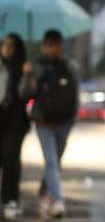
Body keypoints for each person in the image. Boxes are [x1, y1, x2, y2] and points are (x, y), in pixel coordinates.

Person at [20, 28, 78, 219]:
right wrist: (28, 75)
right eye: (48, 45)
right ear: (44, 46)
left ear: (60, 46)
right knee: (51, 162)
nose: (51, 49)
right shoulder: (36, 67)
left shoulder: (70, 67)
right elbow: (25, 94)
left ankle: (45, 190)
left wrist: (73, 117)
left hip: (64, 122)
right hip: (44, 122)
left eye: (55, 45)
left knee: (56, 161)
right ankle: (57, 200)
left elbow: (75, 95)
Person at [0, 34, 31, 219]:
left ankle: (10, 199)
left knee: (11, 160)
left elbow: (26, 95)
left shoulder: (23, 69)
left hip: (15, 122)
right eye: (4, 44)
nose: (7, 48)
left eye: (12, 45)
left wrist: (27, 76)